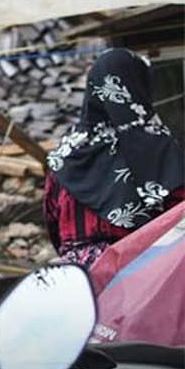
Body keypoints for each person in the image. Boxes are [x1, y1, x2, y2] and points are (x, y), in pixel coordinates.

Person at [44, 47, 184, 268]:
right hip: (144, 277)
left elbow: (53, 225)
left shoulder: (65, 154)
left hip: (77, 280)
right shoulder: (155, 146)